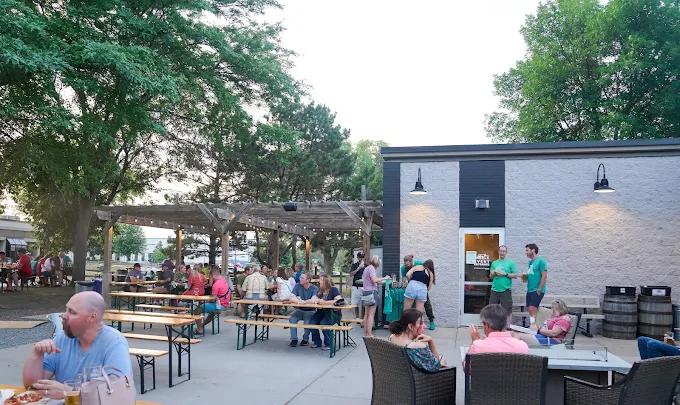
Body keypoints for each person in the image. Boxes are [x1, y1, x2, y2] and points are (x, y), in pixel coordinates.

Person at [22, 292, 132, 399]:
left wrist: (70, 392)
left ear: (92, 317)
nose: (64, 316)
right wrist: (37, 354)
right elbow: (32, 386)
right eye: (66, 310)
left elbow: (118, 393)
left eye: (72, 312)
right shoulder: (63, 339)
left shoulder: (114, 342)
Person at [402, 255, 436, 330]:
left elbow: (407, 275)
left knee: (406, 310)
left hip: (412, 285)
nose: (406, 266)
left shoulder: (418, 265)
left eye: (407, 264)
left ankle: (404, 327)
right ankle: (417, 329)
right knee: (419, 313)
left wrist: (411, 282)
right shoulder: (431, 273)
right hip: (423, 288)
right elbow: (429, 288)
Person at [194, 268, 231, 336]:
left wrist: (207, 300)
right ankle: (202, 325)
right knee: (211, 313)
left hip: (219, 306)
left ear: (213, 275)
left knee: (197, 310)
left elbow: (213, 299)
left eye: (210, 276)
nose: (209, 278)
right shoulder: (224, 281)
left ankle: (199, 329)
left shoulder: (216, 285)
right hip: (225, 304)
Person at [310, 275, 342, 350]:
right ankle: (317, 342)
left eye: (321, 280)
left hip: (333, 313)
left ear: (326, 282)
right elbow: (315, 299)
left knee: (324, 323)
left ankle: (329, 344)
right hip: (321, 312)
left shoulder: (333, 290)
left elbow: (339, 300)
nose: (319, 281)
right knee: (312, 322)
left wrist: (325, 302)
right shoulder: (320, 290)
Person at [288, 272, 320, 347]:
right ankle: (294, 339)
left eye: (302, 278)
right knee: (292, 319)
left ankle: (305, 339)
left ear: (308, 280)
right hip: (299, 309)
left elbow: (313, 300)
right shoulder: (297, 285)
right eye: (300, 277)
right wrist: (299, 302)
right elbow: (291, 298)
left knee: (307, 322)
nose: (300, 279)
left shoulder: (314, 288)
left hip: (310, 310)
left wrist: (303, 302)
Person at [362, 255, 391, 337]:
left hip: (365, 292)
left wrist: (383, 281)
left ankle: (365, 333)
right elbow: (374, 280)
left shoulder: (366, 268)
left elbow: (373, 281)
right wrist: (385, 278)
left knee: (366, 314)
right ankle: (369, 333)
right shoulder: (372, 268)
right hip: (372, 293)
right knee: (371, 315)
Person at [489, 245, 517, 317]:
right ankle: (494, 324)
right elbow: (490, 277)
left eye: (504, 251)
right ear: (498, 252)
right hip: (494, 290)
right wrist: (492, 273)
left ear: (506, 252)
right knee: (492, 311)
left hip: (505, 290)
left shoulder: (510, 263)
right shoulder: (494, 263)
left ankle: (507, 324)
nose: (502, 253)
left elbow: (515, 275)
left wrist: (505, 273)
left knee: (507, 311)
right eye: (501, 251)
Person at [524, 243, 548, 324]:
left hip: (537, 289)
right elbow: (531, 276)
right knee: (531, 310)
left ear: (533, 250)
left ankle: (533, 327)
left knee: (532, 309)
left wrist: (540, 289)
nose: (526, 252)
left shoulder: (541, 261)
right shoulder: (530, 263)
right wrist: (525, 277)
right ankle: (536, 326)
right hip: (530, 289)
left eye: (527, 250)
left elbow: (544, 275)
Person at [349, 252, 366, 319]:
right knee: (355, 304)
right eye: (360, 257)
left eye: (362, 257)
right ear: (358, 258)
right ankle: (357, 318)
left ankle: (363, 318)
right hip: (356, 286)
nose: (361, 258)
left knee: (364, 303)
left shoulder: (366, 266)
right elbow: (351, 274)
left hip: (364, 287)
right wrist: (358, 268)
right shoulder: (354, 265)